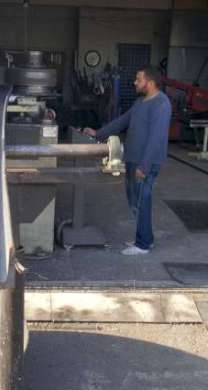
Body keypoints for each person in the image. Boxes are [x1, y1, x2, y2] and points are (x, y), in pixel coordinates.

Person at [84, 66, 172, 256]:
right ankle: (145, 237)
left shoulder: (161, 104)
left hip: (145, 163)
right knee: (134, 201)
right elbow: (122, 121)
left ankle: (143, 245)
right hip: (132, 159)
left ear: (150, 82)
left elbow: (156, 138)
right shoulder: (140, 102)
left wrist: (144, 165)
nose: (135, 82)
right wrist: (98, 133)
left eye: (138, 79)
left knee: (141, 202)